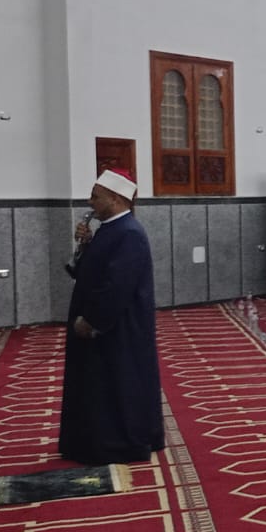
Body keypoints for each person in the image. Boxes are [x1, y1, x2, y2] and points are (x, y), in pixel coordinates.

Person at [59, 170, 164, 466]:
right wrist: (84, 247)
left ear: (115, 199)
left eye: (96, 196)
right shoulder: (109, 229)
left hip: (117, 329)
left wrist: (92, 321)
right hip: (106, 326)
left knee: (116, 386)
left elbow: (117, 286)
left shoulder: (129, 233)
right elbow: (87, 274)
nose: (90, 201)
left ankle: (118, 445)